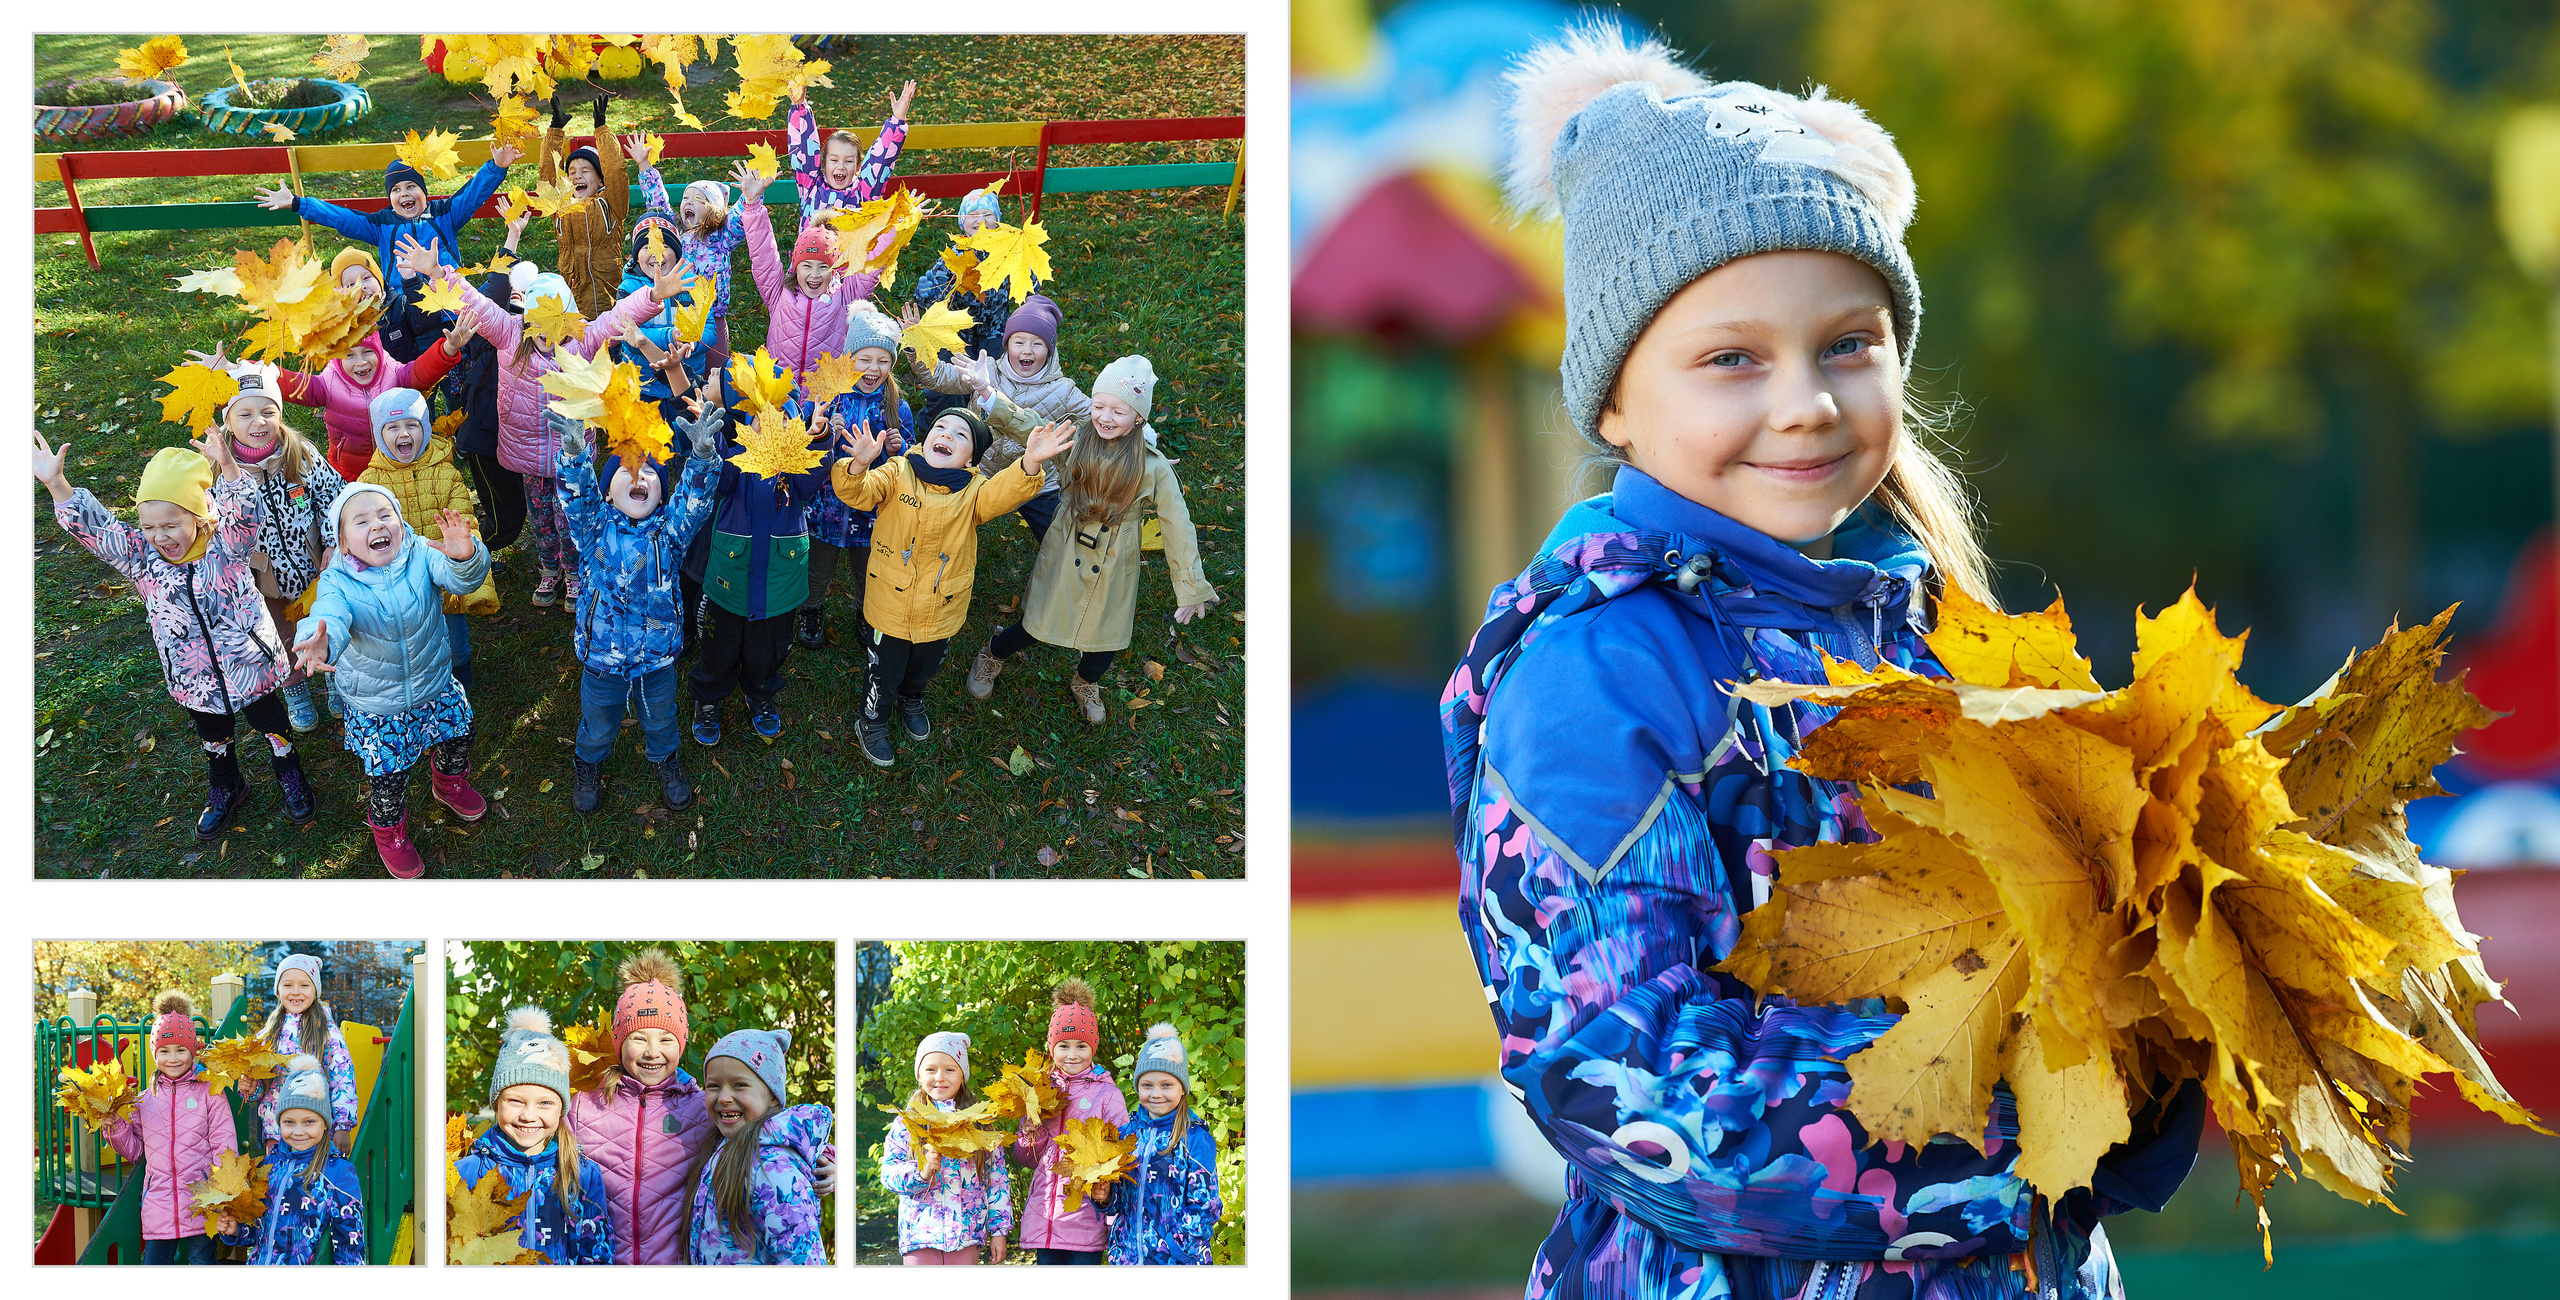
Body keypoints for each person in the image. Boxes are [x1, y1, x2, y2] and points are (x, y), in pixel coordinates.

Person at [1442, 29, 2208, 1300]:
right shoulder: (1600, 675)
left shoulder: (1934, 630)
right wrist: (2026, 1135)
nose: (1804, 400)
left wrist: (2160, 1031)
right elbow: (1629, 1074)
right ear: (1616, 400)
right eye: (1732, 358)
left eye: (1848, 344)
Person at [34, 429, 317, 834]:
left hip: (250, 663)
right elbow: (98, 531)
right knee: (213, 734)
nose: (159, 536)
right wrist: (57, 484)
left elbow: (246, 511)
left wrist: (229, 466)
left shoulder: (228, 545)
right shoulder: (140, 557)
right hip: (192, 673)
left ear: (199, 517)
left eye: (170, 525)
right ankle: (227, 785)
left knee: (270, 721)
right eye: (149, 526)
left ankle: (289, 771)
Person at [402, 230, 695, 610]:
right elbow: (476, 304)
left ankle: (573, 572)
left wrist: (653, 296)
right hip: (525, 452)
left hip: (569, 455)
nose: (545, 332)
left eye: (555, 322)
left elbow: (618, 316)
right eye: (538, 322)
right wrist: (438, 273)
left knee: (571, 516)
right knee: (541, 518)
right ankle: (549, 568)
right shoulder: (509, 334)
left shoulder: (585, 340)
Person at [967, 355, 1217, 724]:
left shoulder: (1154, 467)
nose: (1105, 417)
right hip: (1067, 543)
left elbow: (1178, 525)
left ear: (1139, 417)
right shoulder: (1078, 437)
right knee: (1039, 623)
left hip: (1116, 559)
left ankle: (1086, 681)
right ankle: (993, 652)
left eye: (1119, 410)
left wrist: (1191, 587)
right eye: (1099, 406)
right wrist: (988, 394)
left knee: (1105, 636)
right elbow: (1031, 425)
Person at [828, 406, 1069, 765]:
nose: (946, 435)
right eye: (940, 427)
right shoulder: (898, 472)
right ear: (926, 439)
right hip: (890, 602)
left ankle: (912, 698)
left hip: (940, 605)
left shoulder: (974, 492)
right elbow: (858, 493)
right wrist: (859, 465)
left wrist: (1030, 461)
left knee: (924, 666)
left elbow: (1003, 493)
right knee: (884, 670)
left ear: (971, 458)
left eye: (960, 435)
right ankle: (873, 719)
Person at [290, 486, 491, 877]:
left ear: (401, 523)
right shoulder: (337, 581)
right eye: (361, 521)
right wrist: (320, 641)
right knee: (389, 779)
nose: (377, 525)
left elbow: (462, 581)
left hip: (434, 683)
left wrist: (464, 556)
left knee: (458, 737)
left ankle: (449, 783)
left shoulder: (421, 553)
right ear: (343, 542)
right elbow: (330, 615)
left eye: (385, 515)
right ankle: (389, 832)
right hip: (378, 705)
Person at [559, 397, 722, 810]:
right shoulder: (593, 528)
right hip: (602, 658)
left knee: (661, 717)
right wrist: (575, 455)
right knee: (598, 721)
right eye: (626, 471)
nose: (639, 476)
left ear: (662, 494)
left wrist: (702, 459)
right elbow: (577, 498)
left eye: (649, 472)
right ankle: (588, 762)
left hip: (656, 658)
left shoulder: (671, 532)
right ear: (607, 492)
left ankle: (665, 759)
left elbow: (695, 502)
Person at [562, 949, 709, 1265]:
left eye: (666, 1040)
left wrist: (815, 1162)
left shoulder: (702, 1109)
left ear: (682, 1045)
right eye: (639, 1038)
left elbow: (755, 1143)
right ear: (620, 1043)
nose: (652, 1051)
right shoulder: (584, 1107)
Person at [356, 388, 499, 692]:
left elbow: (466, 524)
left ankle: (460, 677)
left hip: (445, 577)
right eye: (392, 427)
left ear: (425, 428)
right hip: (401, 586)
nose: (403, 433)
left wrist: (467, 563)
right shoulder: (370, 483)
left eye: (412, 425)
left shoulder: (447, 474)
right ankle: (424, 686)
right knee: (413, 642)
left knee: (455, 640)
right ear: (379, 435)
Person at [453, 1006, 616, 1264]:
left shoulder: (582, 1174)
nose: (529, 1115)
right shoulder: (468, 1172)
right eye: (515, 1101)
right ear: (496, 1103)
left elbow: (596, 1254)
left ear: (561, 1109)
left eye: (545, 1103)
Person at [795, 308, 908, 650]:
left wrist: (898, 448)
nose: (874, 369)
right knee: (818, 566)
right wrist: (823, 432)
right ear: (849, 359)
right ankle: (811, 609)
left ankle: (865, 612)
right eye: (865, 359)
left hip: (871, 511)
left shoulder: (896, 406)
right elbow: (802, 439)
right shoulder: (829, 397)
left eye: (883, 361)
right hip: (825, 505)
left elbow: (910, 458)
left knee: (868, 569)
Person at [102, 991, 237, 1264]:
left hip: (202, 1201)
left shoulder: (210, 1092)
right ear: (155, 1054)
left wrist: (223, 1192)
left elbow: (224, 1143)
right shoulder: (144, 1100)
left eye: (180, 1050)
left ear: (192, 1051)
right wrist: (116, 1127)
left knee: (202, 1263)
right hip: (159, 1205)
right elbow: (136, 1152)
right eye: (164, 1051)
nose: (173, 1058)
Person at [254, 144, 520, 278]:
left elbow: (472, 195)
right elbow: (341, 218)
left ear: (424, 192)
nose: (404, 194)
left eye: (411, 186)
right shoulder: (380, 225)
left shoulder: (445, 214)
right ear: (390, 197)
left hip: (449, 296)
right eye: (396, 190)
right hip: (403, 302)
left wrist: (496, 167)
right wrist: (298, 203)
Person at [1008, 978, 1127, 1264]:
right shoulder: (1042, 1092)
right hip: (1045, 1219)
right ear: (1052, 1047)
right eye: (1063, 1046)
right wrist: (1030, 1134)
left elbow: (1120, 1155)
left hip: (1086, 1216)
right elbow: (1027, 1159)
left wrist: (1104, 1188)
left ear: (1093, 1048)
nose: (1072, 1055)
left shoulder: (1107, 1094)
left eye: (1081, 1046)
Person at [687, 1028, 831, 1264]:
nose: (724, 1097)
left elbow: (801, 1258)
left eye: (739, 1085)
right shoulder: (721, 1144)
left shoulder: (774, 1169)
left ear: (773, 1095)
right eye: (713, 1086)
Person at [215, 1054, 368, 1265]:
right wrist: (237, 1231)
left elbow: (350, 1250)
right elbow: (262, 1232)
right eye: (289, 1122)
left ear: (325, 1123)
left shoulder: (338, 1173)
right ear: (279, 1123)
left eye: (309, 1122)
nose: (298, 1131)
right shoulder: (269, 1166)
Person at [880, 1030, 1012, 1264]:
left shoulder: (978, 1122)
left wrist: (999, 1231)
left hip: (966, 1234)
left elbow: (996, 1178)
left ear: (963, 1075)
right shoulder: (908, 1122)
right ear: (919, 1074)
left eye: (950, 1069)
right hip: (920, 1234)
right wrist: (920, 1173)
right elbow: (889, 1174)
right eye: (931, 1069)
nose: (940, 1077)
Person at [1103, 1023, 1223, 1264]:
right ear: (1137, 1087)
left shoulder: (1195, 1139)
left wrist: (1174, 1248)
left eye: (1166, 1085)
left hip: (1175, 1260)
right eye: (1147, 1085)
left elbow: (1206, 1205)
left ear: (1182, 1089)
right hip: (1127, 1258)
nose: (1156, 1094)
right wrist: (1105, 1197)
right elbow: (1118, 1202)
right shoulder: (1126, 1137)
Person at [235, 955, 358, 1154]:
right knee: (278, 1173)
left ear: (315, 991)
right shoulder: (267, 1035)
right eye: (287, 985)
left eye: (304, 985)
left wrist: (343, 1126)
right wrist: (251, 1089)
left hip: (314, 1129)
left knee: (313, 1173)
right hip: (277, 1129)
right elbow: (262, 1084)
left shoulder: (326, 1031)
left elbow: (343, 1076)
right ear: (278, 990)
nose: (295, 992)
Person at [785, 76, 916, 234]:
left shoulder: (864, 193)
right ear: (823, 163)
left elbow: (880, 161)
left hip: (851, 251)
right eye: (834, 160)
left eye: (848, 161)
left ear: (858, 167)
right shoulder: (810, 185)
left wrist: (897, 120)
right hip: (810, 250)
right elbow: (803, 149)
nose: (840, 166)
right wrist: (799, 106)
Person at [543, 95, 633, 314]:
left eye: (585, 171)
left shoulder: (611, 204)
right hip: (572, 302)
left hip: (607, 302)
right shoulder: (560, 205)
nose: (577, 176)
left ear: (601, 180)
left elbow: (615, 170)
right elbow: (548, 174)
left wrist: (601, 129)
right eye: (572, 172)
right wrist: (555, 129)